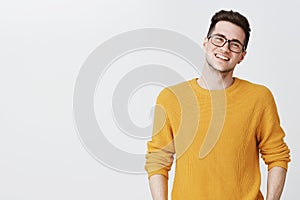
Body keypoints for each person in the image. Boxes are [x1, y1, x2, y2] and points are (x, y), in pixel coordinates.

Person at [144, 10, 291, 200]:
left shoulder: (259, 98)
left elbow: (277, 155)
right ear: (206, 43)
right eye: (219, 39)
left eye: (235, 44)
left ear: (242, 56)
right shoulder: (171, 98)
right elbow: (158, 159)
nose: (225, 48)